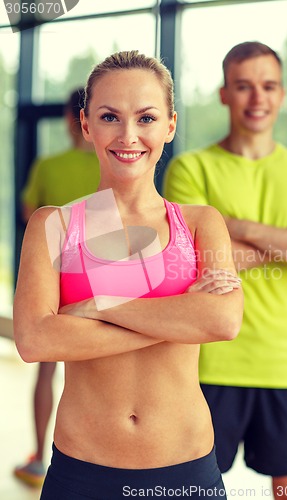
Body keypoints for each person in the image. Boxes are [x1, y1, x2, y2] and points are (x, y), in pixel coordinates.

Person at [13, 50, 243, 499]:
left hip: (186, 471)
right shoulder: (53, 225)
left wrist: (99, 307)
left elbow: (222, 321)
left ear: (170, 125)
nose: (129, 135)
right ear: (86, 125)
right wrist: (179, 320)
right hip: (82, 471)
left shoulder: (199, 223)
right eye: (109, 116)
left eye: (147, 117)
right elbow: (36, 340)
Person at [163, 41, 287, 500]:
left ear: (281, 94)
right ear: (224, 93)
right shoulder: (190, 168)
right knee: (189, 493)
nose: (257, 98)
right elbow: (191, 258)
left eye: (268, 86)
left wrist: (237, 227)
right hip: (208, 366)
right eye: (243, 86)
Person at [14, 88, 100, 488]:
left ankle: (39, 456)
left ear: (73, 120)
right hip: (100, 283)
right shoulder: (110, 166)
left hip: (56, 280)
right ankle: (91, 455)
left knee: (47, 372)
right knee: (97, 373)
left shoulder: (49, 166)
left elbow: (32, 216)